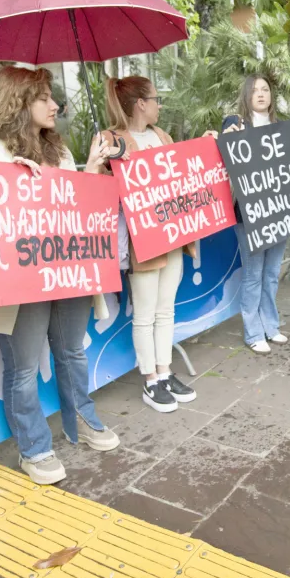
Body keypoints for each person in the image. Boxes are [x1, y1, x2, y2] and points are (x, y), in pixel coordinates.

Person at [0, 66, 120, 486]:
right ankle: (34, 447)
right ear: (17, 102)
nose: (55, 106)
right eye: (44, 98)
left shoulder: (60, 151)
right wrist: (13, 181)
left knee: (71, 350)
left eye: (53, 98)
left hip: (67, 271)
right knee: (23, 367)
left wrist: (89, 171)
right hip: (19, 282)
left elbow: (74, 208)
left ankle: (83, 420)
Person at [99, 76, 197, 413]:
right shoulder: (109, 140)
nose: (159, 105)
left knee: (165, 309)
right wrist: (103, 162)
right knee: (145, 313)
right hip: (142, 240)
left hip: (171, 235)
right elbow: (98, 191)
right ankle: (151, 379)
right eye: (156, 99)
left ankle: (165, 372)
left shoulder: (162, 136)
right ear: (141, 103)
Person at [220, 74, 289, 353]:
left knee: (272, 272)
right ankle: (253, 332)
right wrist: (225, 141)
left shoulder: (282, 128)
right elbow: (220, 159)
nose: (261, 94)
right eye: (255, 90)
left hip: (279, 210)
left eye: (265, 89)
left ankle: (270, 325)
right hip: (248, 212)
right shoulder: (234, 124)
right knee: (253, 273)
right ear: (247, 95)